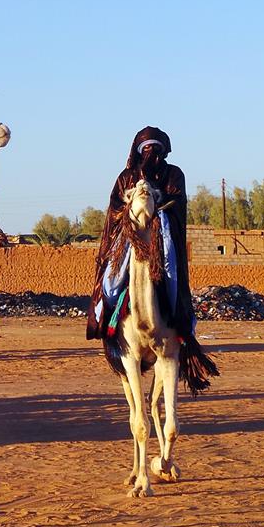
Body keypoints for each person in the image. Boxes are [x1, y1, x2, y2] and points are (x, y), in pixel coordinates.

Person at [86, 126, 217, 393]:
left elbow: (178, 204)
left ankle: (179, 323)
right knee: (113, 275)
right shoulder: (126, 176)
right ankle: (106, 320)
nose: (151, 153)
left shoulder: (173, 174)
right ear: (138, 151)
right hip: (131, 232)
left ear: (164, 151)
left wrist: (158, 210)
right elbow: (114, 207)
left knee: (170, 272)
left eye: (156, 148)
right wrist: (128, 211)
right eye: (146, 148)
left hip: (161, 233)